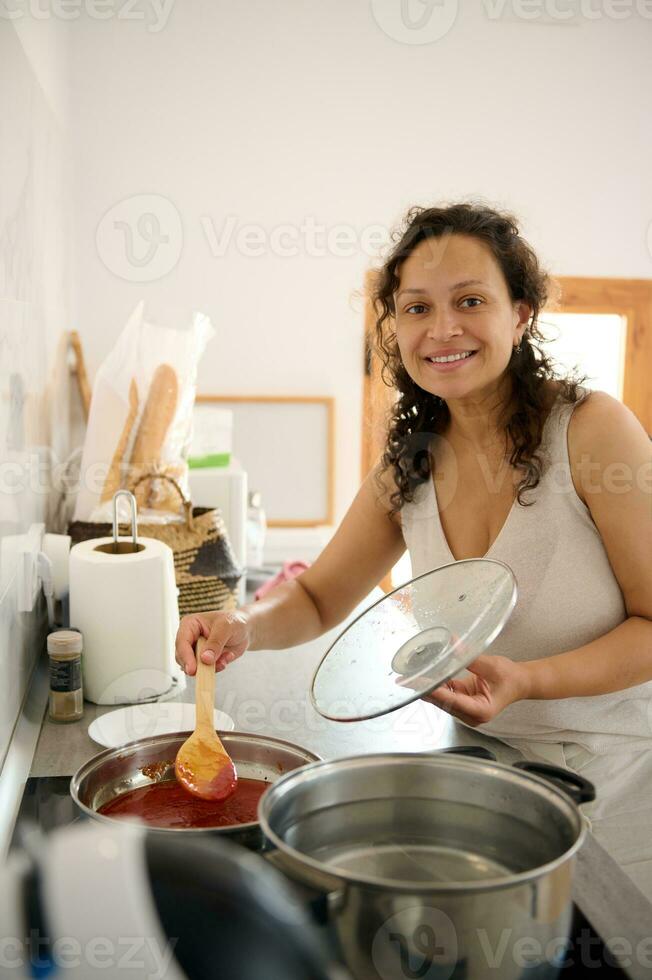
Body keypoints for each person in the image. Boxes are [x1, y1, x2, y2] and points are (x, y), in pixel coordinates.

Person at [176, 201, 652, 897]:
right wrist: (243, 623)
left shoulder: (592, 429)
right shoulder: (411, 461)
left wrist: (530, 680)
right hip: (488, 767)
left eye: (470, 300)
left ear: (520, 314)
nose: (442, 328)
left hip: (622, 777)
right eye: (416, 308)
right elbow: (315, 595)